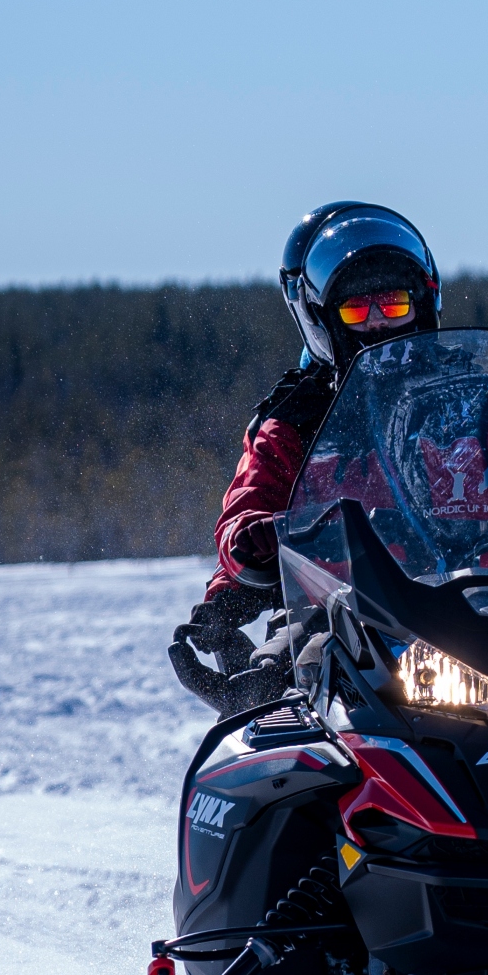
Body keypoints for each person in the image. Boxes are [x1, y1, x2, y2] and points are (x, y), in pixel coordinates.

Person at [176, 203, 442, 692]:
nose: (379, 323)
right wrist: (241, 564)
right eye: (358, 309)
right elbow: (246, 513)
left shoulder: (475, 398)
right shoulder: (297, 420)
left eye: (395, 303)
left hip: (486, 608)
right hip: (342, 617)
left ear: (423, 304)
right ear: (322, 319)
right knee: (277, 686)